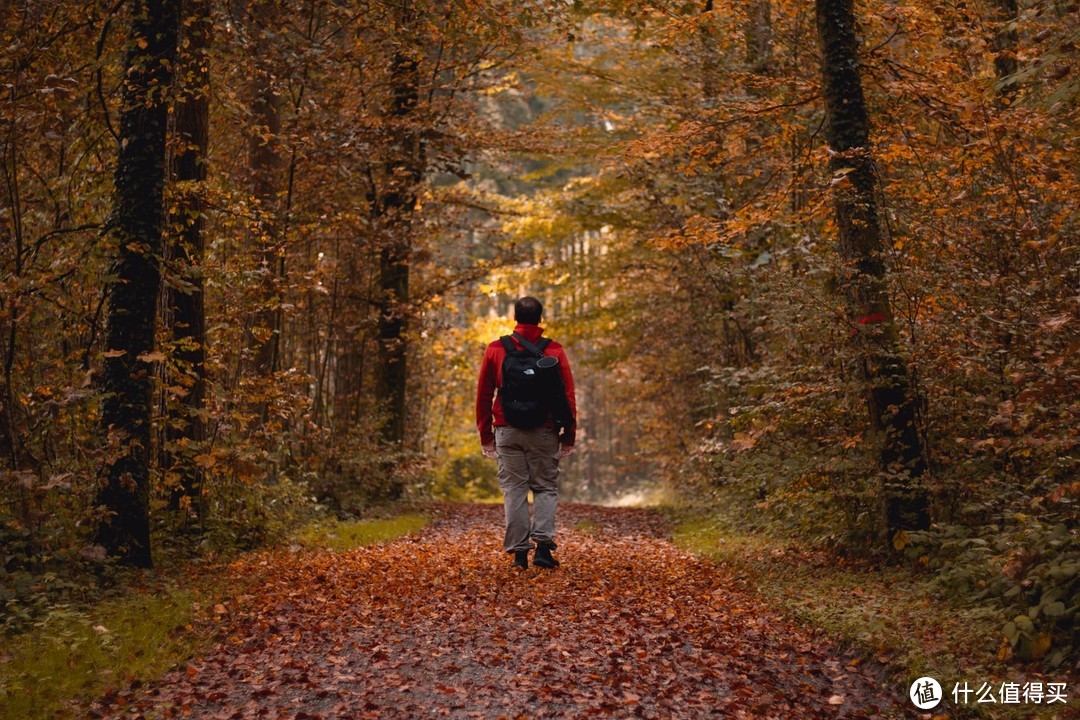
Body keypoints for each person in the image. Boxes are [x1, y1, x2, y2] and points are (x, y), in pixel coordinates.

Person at [476, 296, 576, 570]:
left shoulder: (496, 349)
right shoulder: (553, 350)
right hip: (544, 430)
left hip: (506, 430)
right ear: (540, 319)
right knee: (545, 487)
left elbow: (484, 394)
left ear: (516, 318)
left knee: (514, 489)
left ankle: (520, 554)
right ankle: (543, 548)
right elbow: (567, 395)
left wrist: (486, 434)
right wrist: (569, 434)